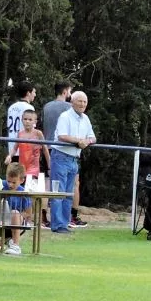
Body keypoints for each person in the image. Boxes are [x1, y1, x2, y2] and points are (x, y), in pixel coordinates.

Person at [50, 90, 96, 233]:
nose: (82, 104)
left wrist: (87, 141)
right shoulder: (65, 116)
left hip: (73, 159)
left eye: (85, 102)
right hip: (60, 156)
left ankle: (64, 224)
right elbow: (62, 136)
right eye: (79, 101)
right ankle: (58, 225)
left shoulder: (85, 119)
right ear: (72, 102)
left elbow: (93, 137)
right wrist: (78, 141)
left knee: (69, 194)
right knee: (58, 193)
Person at [42, 80, 86, 228]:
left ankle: (45, 217)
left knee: (49, 184)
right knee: (71, 185)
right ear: (65, 92)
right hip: (64, 149)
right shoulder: (69, 108)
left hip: (47, 147)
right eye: (70, 91)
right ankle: (70, 217)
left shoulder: (46, 106)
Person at [0, 162, 31, 255]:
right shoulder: (1, 185)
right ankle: (7, 242)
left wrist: (16, 216)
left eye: (14, 182)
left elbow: (28, 213)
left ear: (22, 180)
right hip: (1, 219)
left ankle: (16, 246)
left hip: (17, 222)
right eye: (8, 181)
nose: (10, 185)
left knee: (14, 213)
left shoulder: (24, 193)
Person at [6, 81, 36, 162]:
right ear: (28, 93)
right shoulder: (29, 108)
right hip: (24, 149)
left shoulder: (11, 107)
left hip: (12, 147)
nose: (35, 94)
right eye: (34, 92)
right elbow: (31, 130)